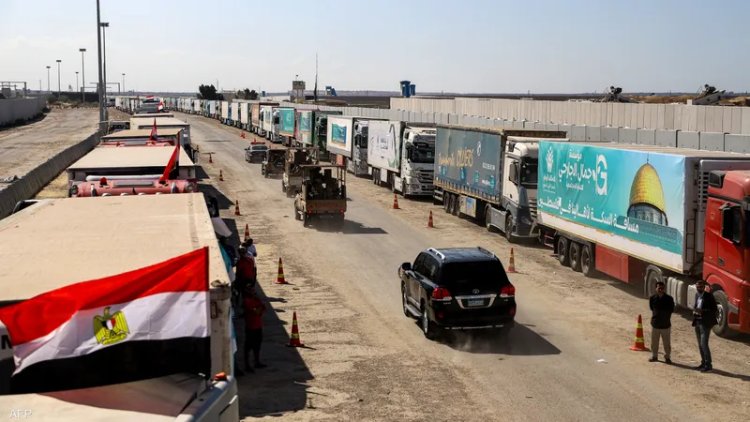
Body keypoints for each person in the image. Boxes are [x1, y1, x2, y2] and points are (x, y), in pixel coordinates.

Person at [692, 280, 717, 372]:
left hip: (705, 323)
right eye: (698, 287)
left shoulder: (709, 296)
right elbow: (696, 306)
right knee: (700, 345)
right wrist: (695, 311)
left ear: (704, 287)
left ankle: (708, 365)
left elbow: (714, 309)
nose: (699, 288)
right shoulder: (696, 295)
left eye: (701, 287)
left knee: (704, 344)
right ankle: (703, 363)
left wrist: (703, 311)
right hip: (697, 322)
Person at [648, 281, 675, 364]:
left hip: (665, 324)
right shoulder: (652, 298)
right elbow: (652, 308)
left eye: (662, 288)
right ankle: (654, 356)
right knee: (654, 342)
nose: (660, 289)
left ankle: (667, 357)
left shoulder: (669, 299)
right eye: (659, 288)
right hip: (655, 324)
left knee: (666, 343)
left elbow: (672, 309)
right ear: (656, 288)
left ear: (664, 289)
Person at [243, 285, 267, 372]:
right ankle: (247, 365)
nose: (253, 292)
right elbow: (258, 311)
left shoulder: (255, 299)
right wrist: (259, 309)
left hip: (258, 326)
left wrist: (259, 309)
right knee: (248, 347)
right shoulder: (247, 301)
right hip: (251, 327)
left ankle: (257, 362)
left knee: (257, 345)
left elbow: (264, 308)